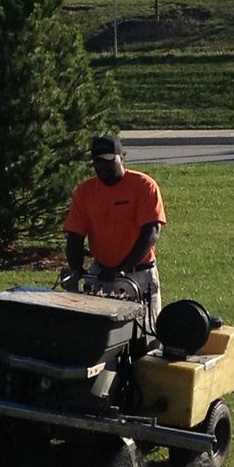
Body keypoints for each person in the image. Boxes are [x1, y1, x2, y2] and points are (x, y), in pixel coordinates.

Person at [62, 133, 166, 333]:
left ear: (121, 158)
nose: (103, 168)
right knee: (98, 333)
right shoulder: (85, 192)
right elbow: (74, 237)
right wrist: (76, 270)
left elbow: (151, 232)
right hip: (100, 274)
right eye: (98, 163)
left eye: (109, 162)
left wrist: (121, 268)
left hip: (138, 275)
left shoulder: (144, 186)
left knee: (147, 333)